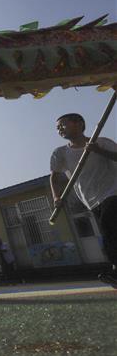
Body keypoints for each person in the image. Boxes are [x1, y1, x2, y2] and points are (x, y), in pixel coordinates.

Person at [49, 112, 117, 289]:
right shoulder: (60, 153)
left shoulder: (101, 142)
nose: (59, 129)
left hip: (112, 192)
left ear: (78, 123)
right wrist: (57, 197)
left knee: (110, 224)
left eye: (62, 124)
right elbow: (54, 178)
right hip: (90, 199)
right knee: (108, 233)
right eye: (57, 128)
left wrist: (98, 151)